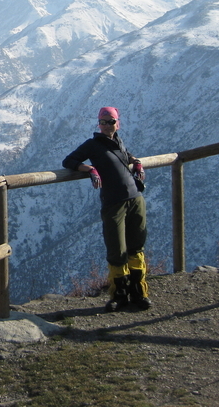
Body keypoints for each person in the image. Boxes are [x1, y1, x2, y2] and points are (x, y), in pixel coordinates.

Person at [61, 107, 151, 312]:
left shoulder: (118, 141)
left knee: (136, 246)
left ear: (118, 123)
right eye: (103, 122)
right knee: (116, 249)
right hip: (113, 202)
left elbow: (125, 156)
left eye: (111, 121)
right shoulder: (92, 145)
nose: (107, 125)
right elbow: (69, 161)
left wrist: (137, 163)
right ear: (98, 124)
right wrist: (90, 169)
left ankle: (139, 293)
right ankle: (119, 295)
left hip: (135, 199)